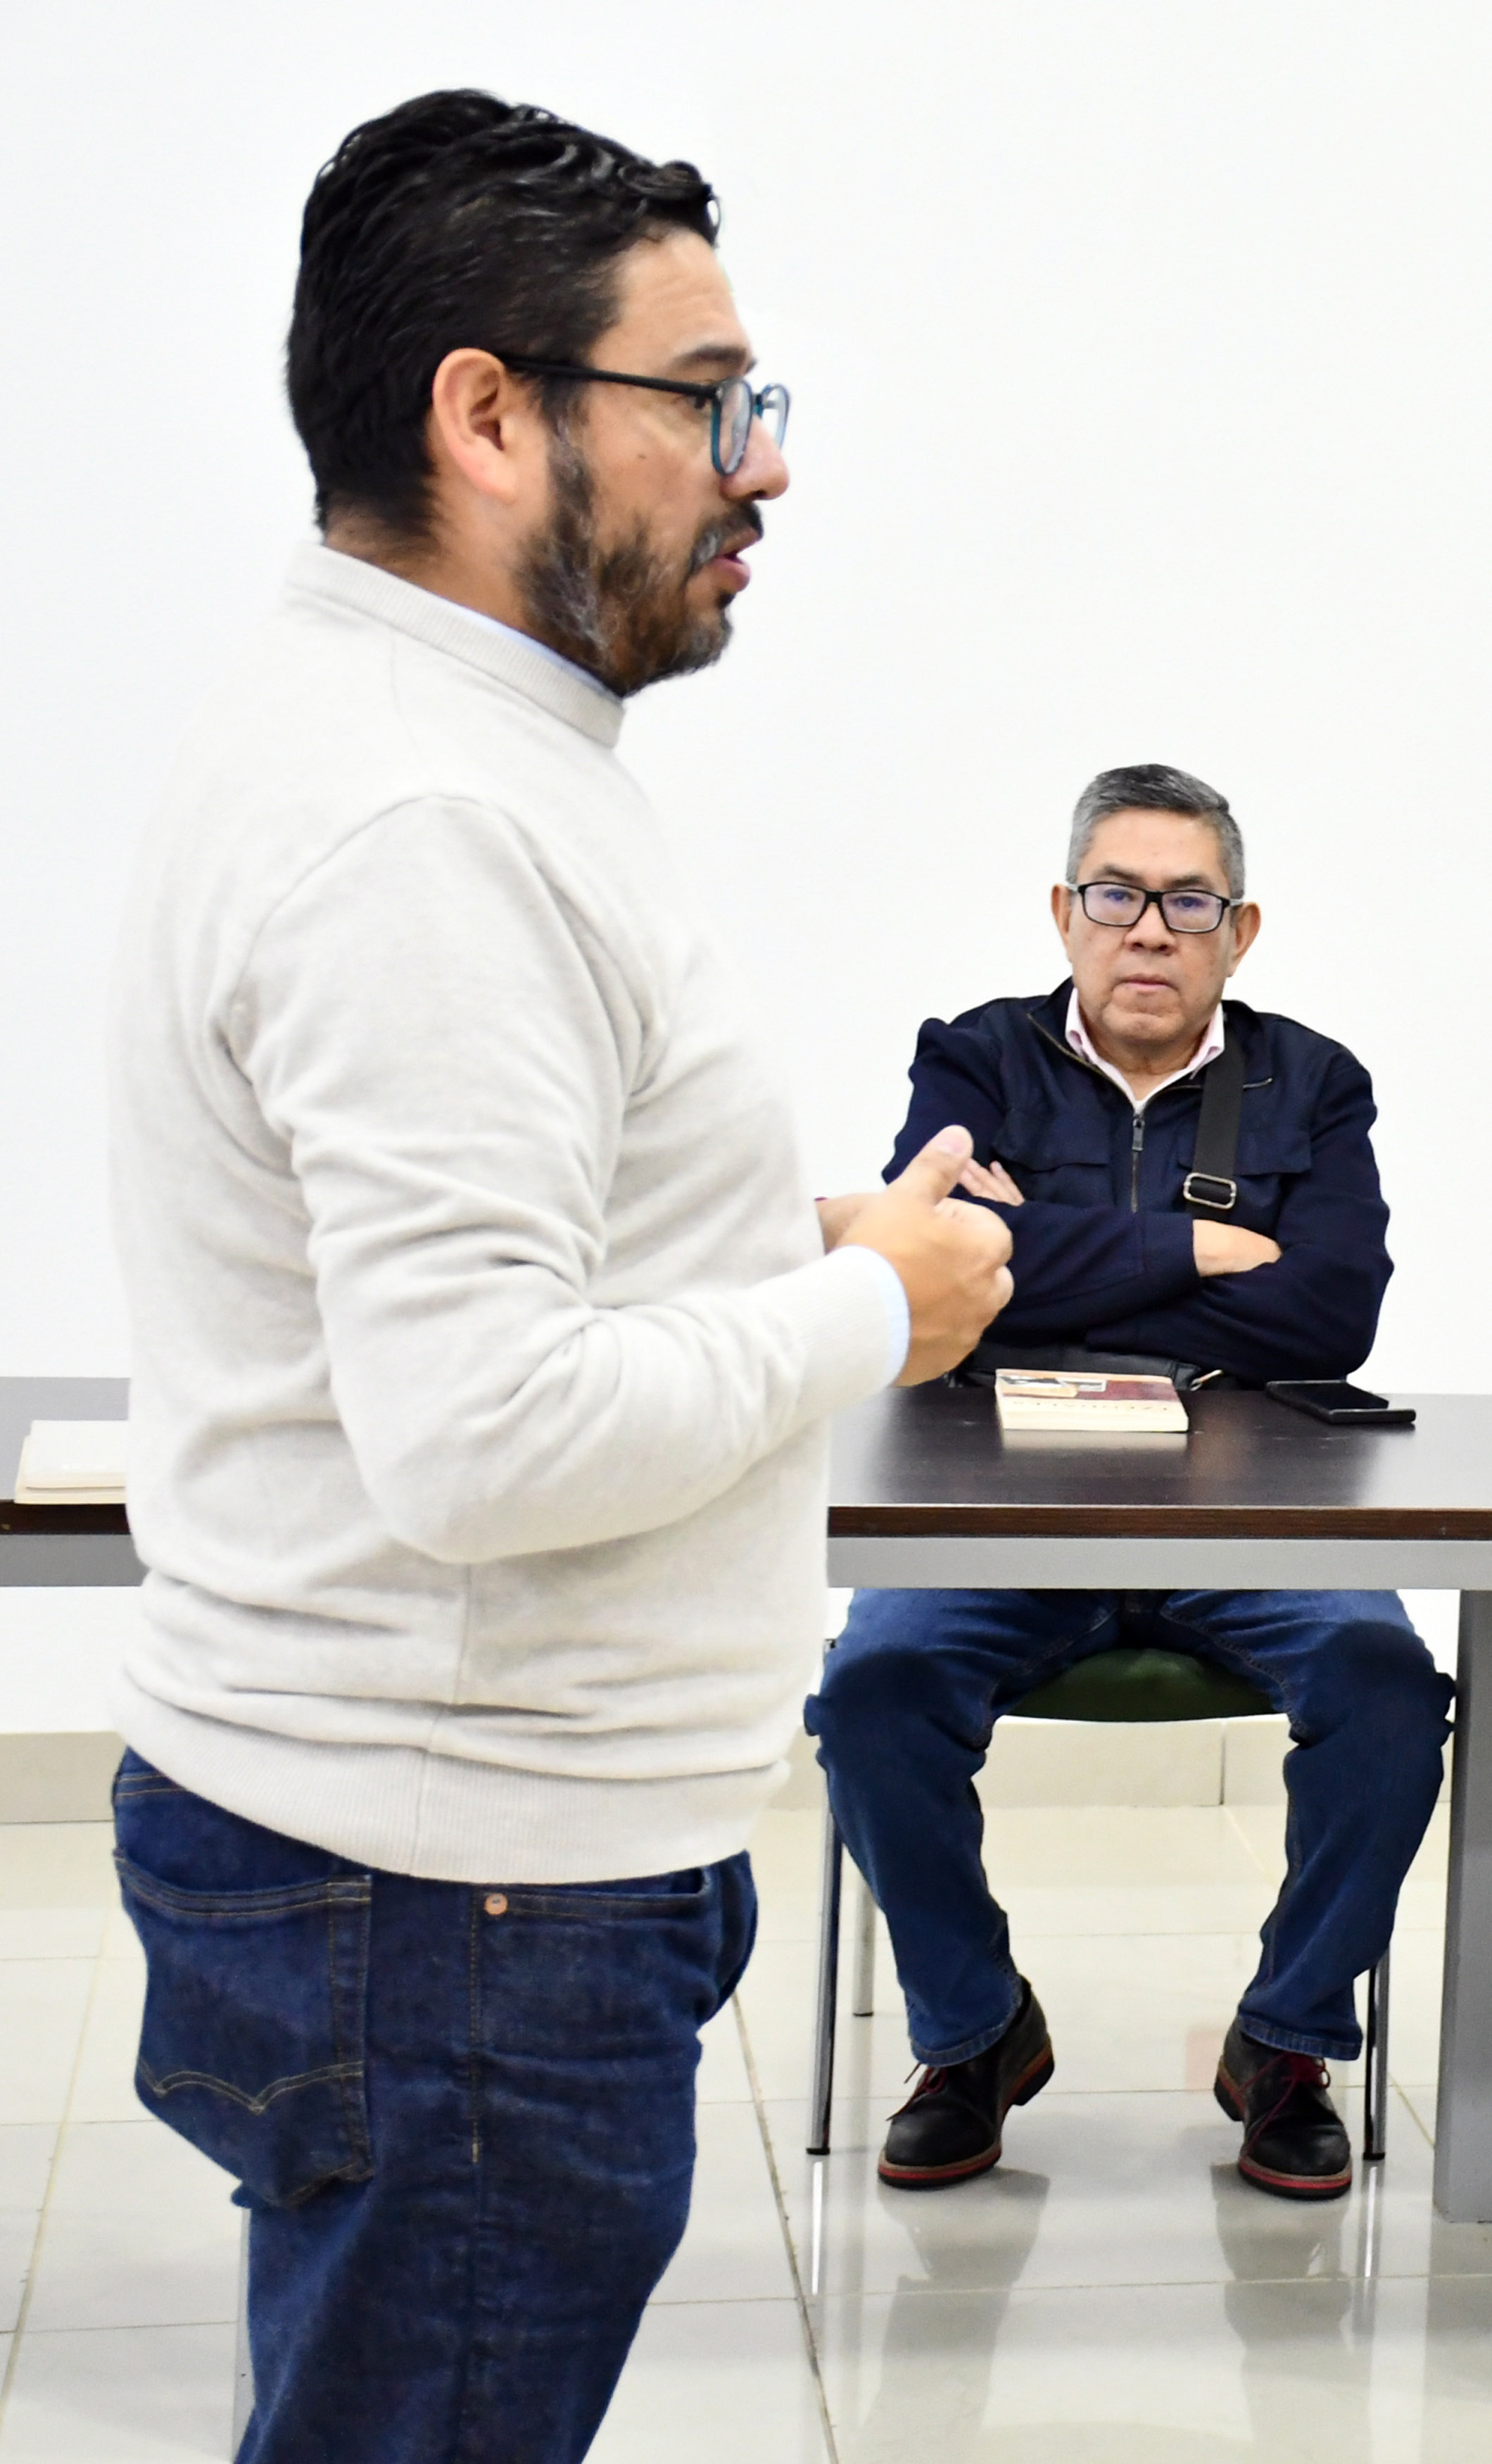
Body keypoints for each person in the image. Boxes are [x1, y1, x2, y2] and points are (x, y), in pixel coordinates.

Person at [105, 92, 1011, 2463]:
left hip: (435, 1874)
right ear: (488, 416)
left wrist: (775, 1248)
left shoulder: (426, 742)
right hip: (455, 1902)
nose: (762, 464)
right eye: (704, 400)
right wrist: (874, 1313)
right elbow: (483, 1435)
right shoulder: (427, 819)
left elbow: (490, 1258)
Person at [807, 762, 1451, 2201]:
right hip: (1003, 1500)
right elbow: (927, 1265)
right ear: (1064, 913)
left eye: (1187, 901)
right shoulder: (976, 1058)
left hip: (1249, 1506)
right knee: (872, 1690)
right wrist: (1198, 1250)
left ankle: (1285, 2041)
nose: (1148, 929)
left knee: (1387, 1687)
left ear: (1240, 930)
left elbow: (1330, 1313)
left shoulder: (1312, 1081)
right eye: (1116, 896)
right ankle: (973, 2031)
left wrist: (1039, 1261)